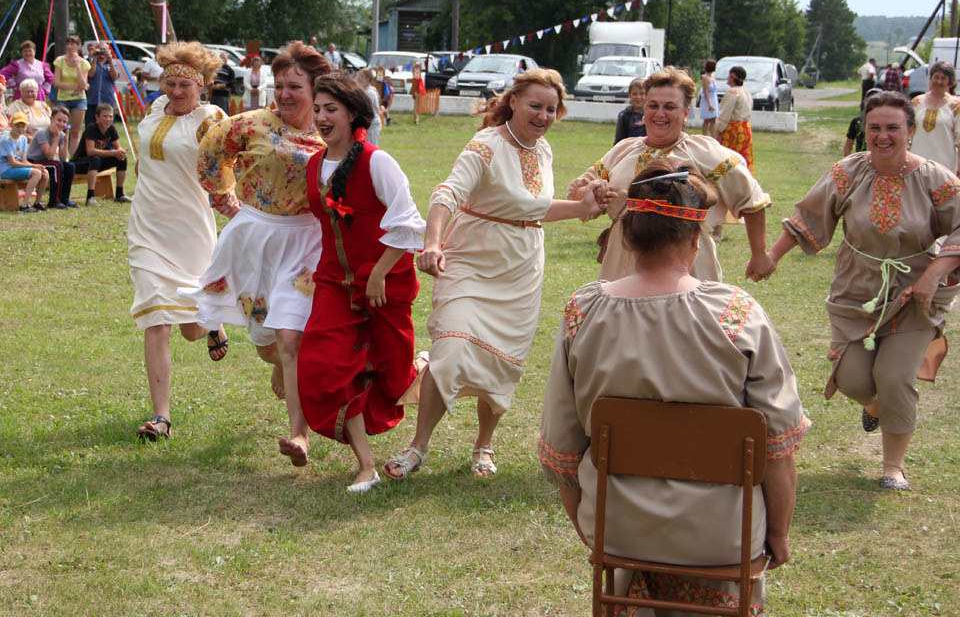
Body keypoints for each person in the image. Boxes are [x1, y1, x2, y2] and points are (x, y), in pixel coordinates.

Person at [540, 160, 809, 614]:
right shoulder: (738, 315)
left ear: (625, 237)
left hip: (618, 526)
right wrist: (777, 534)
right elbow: (778, 448)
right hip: (724, 535)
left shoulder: (582, 313)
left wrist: (594, 531)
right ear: (695, 239)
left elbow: (563, 453)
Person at [383, 70, 609, 481]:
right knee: (450, 348)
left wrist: (584, 207)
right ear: (514, 102)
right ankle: (418, 446)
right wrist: (432, 243)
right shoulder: (486, 146)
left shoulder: (543, 152)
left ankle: (484, 444)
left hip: (521, 270)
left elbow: (533, 208)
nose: (543, 116)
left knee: (502, 363)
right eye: (535, 106)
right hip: (470, 261)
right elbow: (446, 193)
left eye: (551, 109)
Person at [762, 89, 960, 491]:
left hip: (914, 297)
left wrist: (934, 272)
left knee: (894, 377)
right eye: (875, 128)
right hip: (857, 292)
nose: (882, 136)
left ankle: (893, 467)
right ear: (864, 129)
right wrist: (771, 256)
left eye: (892, 128)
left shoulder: (934, 178)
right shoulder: (848, 172)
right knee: (853, 379)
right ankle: (874, 405)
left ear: (909, 132)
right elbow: (810, 215)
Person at [183, 41, 331, 468]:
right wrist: (223, 195)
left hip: (306, 242)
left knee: (292, 336)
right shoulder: (251, 124)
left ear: (317, 87)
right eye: (279, 85)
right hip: (254, 240)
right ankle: (280, 366)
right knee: (267, 340)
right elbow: (211, 149)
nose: (284, 94)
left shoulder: (331, 131)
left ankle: (299, 435)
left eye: (295, 86)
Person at [299, 73, 424, 491]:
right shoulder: (315, 164)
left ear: (353, 113)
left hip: (385, 284)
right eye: (317, 109)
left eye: (330, 109)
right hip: (335, 285)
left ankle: (417, 368)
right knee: (328, 367)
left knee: (392, 377)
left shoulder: (376, 161)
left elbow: (408, 225)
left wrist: (379, 275)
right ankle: (366, 465)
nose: (321, 117)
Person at [568, 67, 773, 284]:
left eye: (670, 107)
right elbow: (577, 196)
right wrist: (595, 193)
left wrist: (759, 254)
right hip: (623, 262)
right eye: (653, 105)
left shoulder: (706, 153)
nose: (659, 114)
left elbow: (752, 201)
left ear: (686, 113)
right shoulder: (623, 151)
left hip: (687, 267)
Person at [127, 42, 229, 440]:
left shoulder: (211, 118)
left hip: (190, 230)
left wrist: (231, 197)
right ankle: (162, 418)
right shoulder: (155, 109)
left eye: (184, 85)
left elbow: (229, 163)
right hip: (147, 228)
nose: (176, 91)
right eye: (170, 83)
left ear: (201, 85)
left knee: (190, 328)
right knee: (156, 317)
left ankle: (212, 325)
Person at [909, 61, 959, 175]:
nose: (939, 81)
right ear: (930, 78)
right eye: (936, 77)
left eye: (943, 78)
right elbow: (907, 132)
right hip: (917, 163)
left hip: (945, 166)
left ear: (949, 82)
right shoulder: (917, 102)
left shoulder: (956, 106)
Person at [73, 104, 129, 205]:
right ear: (97, 117)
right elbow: (90, 151)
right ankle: (90, 197)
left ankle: (120, 194)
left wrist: (121, 151)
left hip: (96, 163)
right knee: (95, 159)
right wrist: (113, 152)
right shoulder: (91, 128)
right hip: (80, 163)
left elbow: (117, 147)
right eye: (105, 116)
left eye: (110, 116)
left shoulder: (111, 129)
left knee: (122, 158)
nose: (108, 119)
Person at [26, 105, 77, 209]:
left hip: (46, 161)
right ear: (51, 119)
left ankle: (64, 199)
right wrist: (56, 138)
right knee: (56, 166)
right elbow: (49, 155)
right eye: (59, 120)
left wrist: (66, 140)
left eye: (64, 122)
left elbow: (63, 158)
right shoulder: (42, 133)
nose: (61, 124)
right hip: (34, 161)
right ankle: (54, 200)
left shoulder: (61, 135)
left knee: (70, 166)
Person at [0, 113, 49, 213]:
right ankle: (24, 205)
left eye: (23, 126)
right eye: (17, 126)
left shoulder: (23, 139)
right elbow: (12, 163)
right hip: (6, 170)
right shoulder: (6, 140)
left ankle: (37, 202)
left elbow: (23, 160)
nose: (20, 129)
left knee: (45, 173)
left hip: (16, 167)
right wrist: (33, 166)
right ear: (11, 125)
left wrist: (36, 166)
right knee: (36, 173)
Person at [52, 36, 91, 155]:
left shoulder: (84, 63)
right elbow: (56, 82)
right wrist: (74, 87)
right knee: (60, 129)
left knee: (75, 131)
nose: (70, 47)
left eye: (73, 44)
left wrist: (78, 66)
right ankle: (59, 154)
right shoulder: (60, 61)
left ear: (79, 46)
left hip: (79, 100)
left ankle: (73, 157)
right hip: (63, 99)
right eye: (68, 44)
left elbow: (83, 84)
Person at [716, 64, 755, 172]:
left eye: (730, 76)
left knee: (728, 157)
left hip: (733, 129)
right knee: (743, 157)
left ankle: (725, 180)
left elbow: (725, 114)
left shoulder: (732, 92)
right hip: (745, 128)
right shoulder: (747, 92)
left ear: (733, 77)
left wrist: (718, 129)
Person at [85, 42, 120, 125]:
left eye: (104, 50)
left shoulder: (113, 63)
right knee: (90, 124)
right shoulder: (90, 62)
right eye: (100, 49)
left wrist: (110, 61)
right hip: (92, 99)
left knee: (107, 125)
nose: (102, 52)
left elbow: (114, 77)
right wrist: (95, 58)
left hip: (107, 99)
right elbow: (90, 74)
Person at [613, 78, 646, 144]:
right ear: (629, 95)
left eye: (642, 93)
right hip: (630, 151)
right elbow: (619, 141)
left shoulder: (652, 115)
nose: (638, 97)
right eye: (634, 94)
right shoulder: (624, 116)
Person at [356, 68, 382, 147]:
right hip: (366, 124)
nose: (357, 79)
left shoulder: (369, 92)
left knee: (371, 147)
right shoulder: (364, 91)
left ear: (367, 79)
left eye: (360, 77)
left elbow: (365, 110)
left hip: (372, 124)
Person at [698, 59, 718, 136]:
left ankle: (713, 136)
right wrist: (709, 104)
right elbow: (705, 91)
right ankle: (704, 135)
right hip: (707, 100)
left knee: (713, 120)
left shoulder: (713, 77)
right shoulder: (705, 78)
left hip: (714, 98)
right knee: (706, 120)